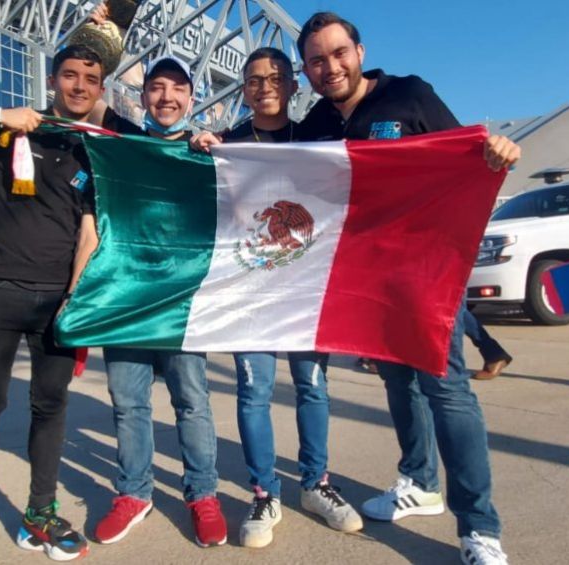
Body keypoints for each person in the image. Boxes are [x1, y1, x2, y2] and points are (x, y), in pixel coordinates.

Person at [294, 12, 520, 565]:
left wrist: (498, 153)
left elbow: (465, 156)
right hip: (366, 278)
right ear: (306, 70)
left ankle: (479, 529)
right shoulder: (318, 121)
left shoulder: (410, 94)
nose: (331, 67)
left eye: (339, 53)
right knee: (398, 382)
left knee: (447, 391)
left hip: (424, 272)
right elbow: (275, 167)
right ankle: (419, 482)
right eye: (317, 60)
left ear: (360, 51)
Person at [0, 45, 132, 564]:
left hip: (55, 304)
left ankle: (39, 513)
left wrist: (74, 299)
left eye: (90, 78)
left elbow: (88, 234)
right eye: (70, 75)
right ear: (54, 79)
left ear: (101, 88)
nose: (80, 85)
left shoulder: (93, 149)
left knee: (50, 408)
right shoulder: (16, 127)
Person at [190, 47, 363, 548]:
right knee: (253, 392)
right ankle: (265, 492)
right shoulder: (229, 144)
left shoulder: (316, 138)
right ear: (242, 90)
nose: (264, 86)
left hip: (305, 292)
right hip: (252, 294)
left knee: (312, 387)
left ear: (292, 86)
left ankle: (316, 484)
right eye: (254, 79)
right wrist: (200, 147)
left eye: (275, 78)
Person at [92, 56, 228, 549]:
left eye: (177, 89)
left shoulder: (208, 151)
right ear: (143, 95)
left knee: (192, 403)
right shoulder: (122, 144)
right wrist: (101, 30)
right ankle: (134, 493)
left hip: (183, 301)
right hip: (125, 296)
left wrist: (219, 150)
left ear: (192, 98)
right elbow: (88, 93)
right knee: (129, 405)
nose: (166, 97)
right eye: (156, 88)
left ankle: (203, 493)